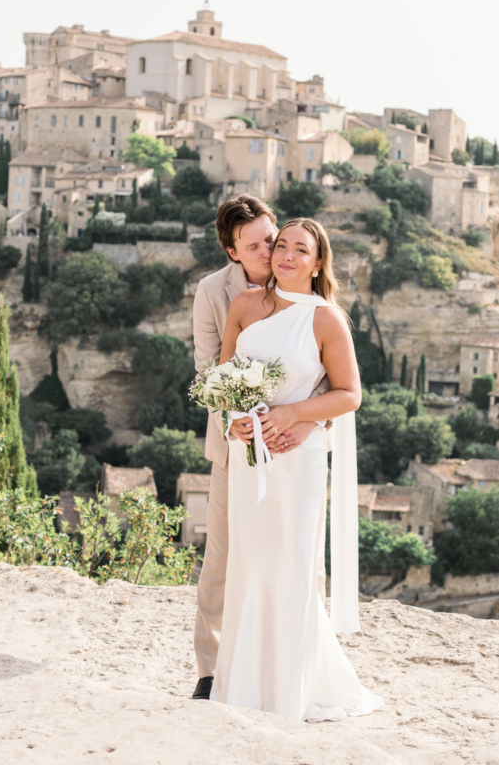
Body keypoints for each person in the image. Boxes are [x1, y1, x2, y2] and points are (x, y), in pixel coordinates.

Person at [210, 217, 382, 721]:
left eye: (299, 249)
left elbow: (349, 395)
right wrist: (234, 422)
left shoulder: (327, 319)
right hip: (249, 460)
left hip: (296, 462)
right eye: (280, 245)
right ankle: (240, 685)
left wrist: (293, 415)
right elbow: (223, 382)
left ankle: (288, 692)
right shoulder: (243, 306)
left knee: (290, 570)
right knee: (250, 568)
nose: (285, 255)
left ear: (318, 261)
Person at [189, 196, 326, 700]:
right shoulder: (213, 294)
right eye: (257, 245)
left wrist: (305, 424)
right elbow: (209, 371)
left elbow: (332, 379)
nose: (272, 251)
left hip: (297, 443)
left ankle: (297, 667)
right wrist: (236, 418)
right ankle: (211, 670)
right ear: (232, 252)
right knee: (222, 559)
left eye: (273, 238)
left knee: (301, 559)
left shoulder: (306, 285)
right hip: (235, 447)